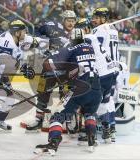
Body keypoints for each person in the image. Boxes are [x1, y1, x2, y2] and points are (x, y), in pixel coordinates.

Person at [34, 29, 102, 154]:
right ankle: (91, 139)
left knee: (57, 115)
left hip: (81, 88)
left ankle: (53, 143)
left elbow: (51, 64)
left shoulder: (71, 48)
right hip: (97, 90)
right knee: (89, 113)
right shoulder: (90, 47)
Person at [0, 19, 42, 137]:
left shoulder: (20, 39)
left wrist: (24, 67)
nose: (25, 34)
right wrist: (23, 69)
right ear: (17, 32)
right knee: (0, 96)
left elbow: (36, 43)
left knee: (10, 98)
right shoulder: (5, 41)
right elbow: (6, 63)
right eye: (24, 31)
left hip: (2, 72)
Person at [24, 10, 77, 132]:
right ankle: (38, 120)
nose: (71, 23)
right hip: (49, 66)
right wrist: (42, 43)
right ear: (63, 20)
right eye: (68, 20)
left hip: (66, 70)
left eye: (73, 21)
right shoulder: (53, 26)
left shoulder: (77, 33)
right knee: (43, 92)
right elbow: (38, 29)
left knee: (66, 95)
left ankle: (68, 121)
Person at [91, 7, 119, 143]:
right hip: (113, 69)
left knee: (95, 100)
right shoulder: (114, 30)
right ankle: (111, 129)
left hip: (102, 70)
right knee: (108, 100)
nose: (93, 20)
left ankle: (91, 130)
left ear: (104, 18)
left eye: (96, 17)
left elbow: (96, 48)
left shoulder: (99, 30)